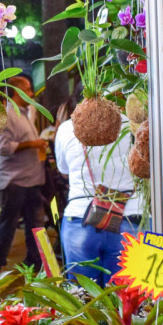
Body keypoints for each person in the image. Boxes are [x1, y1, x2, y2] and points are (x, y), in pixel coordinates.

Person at [54, 111, 141, 285]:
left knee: (84, 297)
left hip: (81, 216)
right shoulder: (135, 127)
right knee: (126, 300)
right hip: (131, 217)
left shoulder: (66, 128)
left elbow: (63, 170)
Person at [0, 75, 46, 273]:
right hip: (13, 180)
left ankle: (34, 262)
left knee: (35, 223)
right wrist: (34, 144)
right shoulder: (6, 115)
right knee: (8, 223)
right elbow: (4, 148)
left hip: (31, 178)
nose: (31, 94)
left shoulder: (25, 112)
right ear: (16, 93)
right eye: (28, 90)